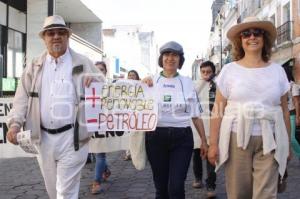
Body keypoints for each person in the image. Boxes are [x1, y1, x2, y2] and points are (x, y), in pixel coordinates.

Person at [6, 15, 104, 199]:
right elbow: (21, 99)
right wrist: (14, 124)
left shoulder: (83, 62)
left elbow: (106, 89)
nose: (56, 36)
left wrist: (96, 81)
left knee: (65, 192)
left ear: (68, 36)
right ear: (44, 38)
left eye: (61, 33)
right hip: (42, 139)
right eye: (51, 33)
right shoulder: (34, 66)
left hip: (73, 138)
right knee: (53, 191)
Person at [207, 16, 291, 199]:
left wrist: (288, 145)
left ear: (264, 38)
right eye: (246, 34)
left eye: (257, 33)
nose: (252, 37)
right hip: (236, 136)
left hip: (271, 137)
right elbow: (217, 110)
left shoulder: (278, 71)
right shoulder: (229, 70)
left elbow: (284, 111)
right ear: (240, 41)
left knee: (266, 194)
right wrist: (213, 144)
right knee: (239, 193)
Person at [143, 41, 208, 199]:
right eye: (167, 55)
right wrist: (140, 87)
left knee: (176, 187)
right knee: (161, 188)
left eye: (174, 55)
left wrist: (204, 141)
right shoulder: (150, 81)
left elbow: (196, 115)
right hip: (155, 137)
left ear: (180, 59)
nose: (170, 58)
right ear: (161, 58)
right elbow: (136, 106)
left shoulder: (187, 83)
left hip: (182, 138)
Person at [191, 61, 217, 198]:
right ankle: (198, 178)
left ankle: (211, 185)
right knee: (196, 155)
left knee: (211, 157)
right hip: (197, 126)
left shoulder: (218, 84)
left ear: (213, 71)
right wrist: (202, 82)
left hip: (213, 125)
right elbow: (192, 97)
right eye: (203, 72)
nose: (206, 74)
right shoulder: (195, 84)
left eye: (208, 72)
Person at [90, 61, 111, 194]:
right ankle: (106, 169)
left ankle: (96, 182)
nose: (99, 72)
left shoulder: (112, 87)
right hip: (90, 124)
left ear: (105, 72)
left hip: (104, 124)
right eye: (95, 70)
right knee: (93, 151)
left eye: (101, 70)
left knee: (100, 153)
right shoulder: (86, 86)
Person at [123, 69, 140, 161]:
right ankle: (128, 153)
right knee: (127, 134)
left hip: (137, 114)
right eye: (129, 75)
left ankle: (136, 153)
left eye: (133, 75)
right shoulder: (123, 86)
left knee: (136, 134)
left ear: (136, 76)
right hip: (127, 113)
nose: (131, 77)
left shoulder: (141, 86)